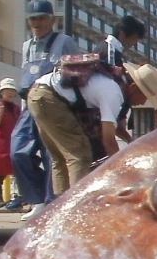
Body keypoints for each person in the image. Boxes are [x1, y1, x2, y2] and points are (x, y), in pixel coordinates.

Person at [10, 0, 79, 216]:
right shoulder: (26, 46)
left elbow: (77, 73)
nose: (37, 23)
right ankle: (36, 198)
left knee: (52, 155)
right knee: (17, 151)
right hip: (29, 105)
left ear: (52, 20)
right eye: (33, 19)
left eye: (41, 18)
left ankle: (52, 201)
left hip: (54, 105)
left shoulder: (64, 42)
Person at [26, 54, 124, 194]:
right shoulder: (113, 93)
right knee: (80, 154)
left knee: (60, 158)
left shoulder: (106, 82)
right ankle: (78, 203)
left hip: (38, 94)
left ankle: (60, 204)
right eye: (145, 95)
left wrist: (130, 140)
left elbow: (113, 126)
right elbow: (108, 139)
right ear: (134, 87)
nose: (142, 101)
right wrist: (120, 171)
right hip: (50, 99)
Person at [0, 78, 21, 208]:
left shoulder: (16, 108)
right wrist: (0, 113)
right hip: (0, 143)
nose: (10, 93)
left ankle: (17, 196)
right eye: (7, 90)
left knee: (18, 170)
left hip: (13, 141)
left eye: (12, 90)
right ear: (1, 92)